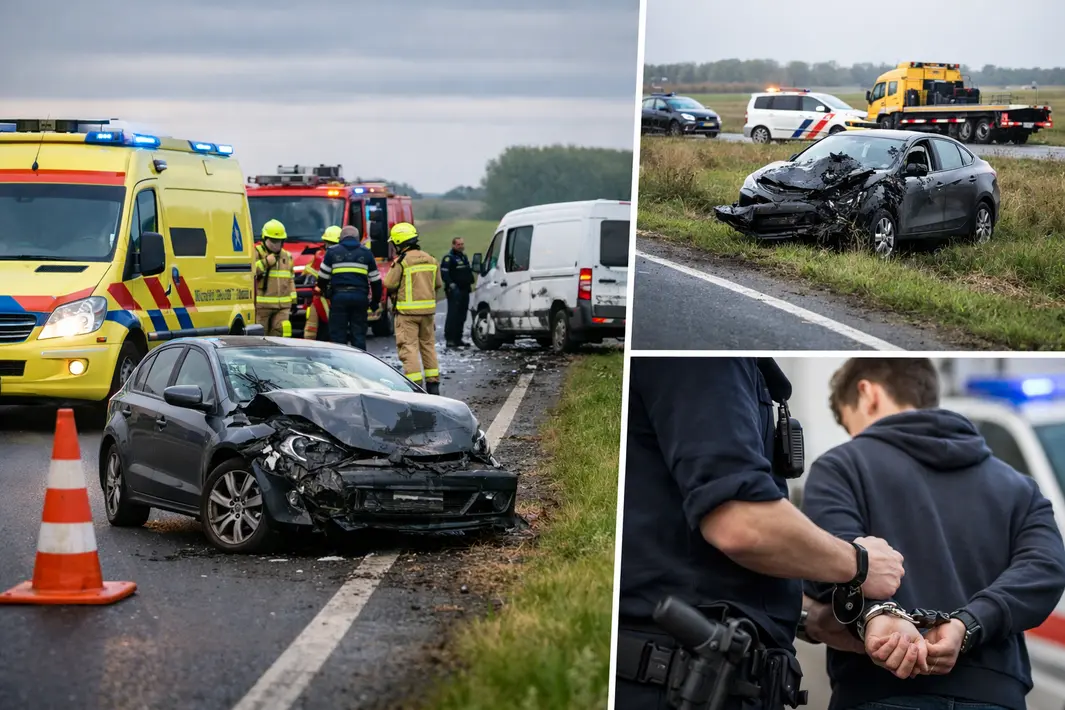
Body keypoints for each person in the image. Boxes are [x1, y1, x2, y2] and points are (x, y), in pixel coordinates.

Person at [616, 357, 906, 710]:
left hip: (711, 678)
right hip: (680, 681)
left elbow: (684, 542)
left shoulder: (728, 368)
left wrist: (811, 618)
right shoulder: (706, 360)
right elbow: (741, 523)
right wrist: (859, 564)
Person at [800, 358, 1065, 710]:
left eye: (850, 423)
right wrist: (968, 624)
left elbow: (827, 560)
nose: (854, 438)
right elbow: (1046, 569)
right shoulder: (1019, 487)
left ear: (868, 394)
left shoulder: (840, 467)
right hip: (997, 696)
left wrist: (880, 616)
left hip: (878, 691)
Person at [382, 222, 443, 395]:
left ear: (399, 243)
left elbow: (389, 283)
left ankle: (415, 389)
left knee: (408, 348)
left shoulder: (402, 261)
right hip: (428, 313)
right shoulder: (431, 259)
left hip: (406, 314)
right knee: (428, 347)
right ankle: (433, 386)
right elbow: (438, 284)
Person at [317, 225, 381, 350]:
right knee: (358, 335)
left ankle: (340, 364)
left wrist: (326, 292)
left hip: (338, 298)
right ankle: (359, 364)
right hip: (360, 298)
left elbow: (322, 278)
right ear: (357, 238)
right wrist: (375, 302)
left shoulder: (332, 252)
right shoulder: (366, 253)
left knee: (338, 336)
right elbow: (376, 281)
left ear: (340, 238)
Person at [254, 219, 296, 337]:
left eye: (279, 241)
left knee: (281, 334)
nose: (276, 244)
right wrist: (266, 262)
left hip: (283, 307)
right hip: (262, 306)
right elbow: (251, 273)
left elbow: (290, 279)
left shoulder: (286, 256)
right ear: (264, 239)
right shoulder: (256, 252)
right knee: (260, 335)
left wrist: (293, 300)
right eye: (272, 240)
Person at [302, 225, 341, 340]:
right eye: (329, 243)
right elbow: (308, 272)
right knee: (312, 329)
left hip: (330, 298)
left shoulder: (321, 256)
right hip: (321, 298)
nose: (330, 247)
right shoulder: (320, 256)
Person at [440, 237, 473, 348]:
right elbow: (444, 274)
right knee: (453, 315)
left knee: (462, 316)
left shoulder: (463, 257)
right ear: (453, 245)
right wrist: (451, 285)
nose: (461, 246)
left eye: (462, 244)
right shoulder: (449, 258)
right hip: (454, 290)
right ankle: (450, 339)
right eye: (458, 244)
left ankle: (458, 338)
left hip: (464, 290)